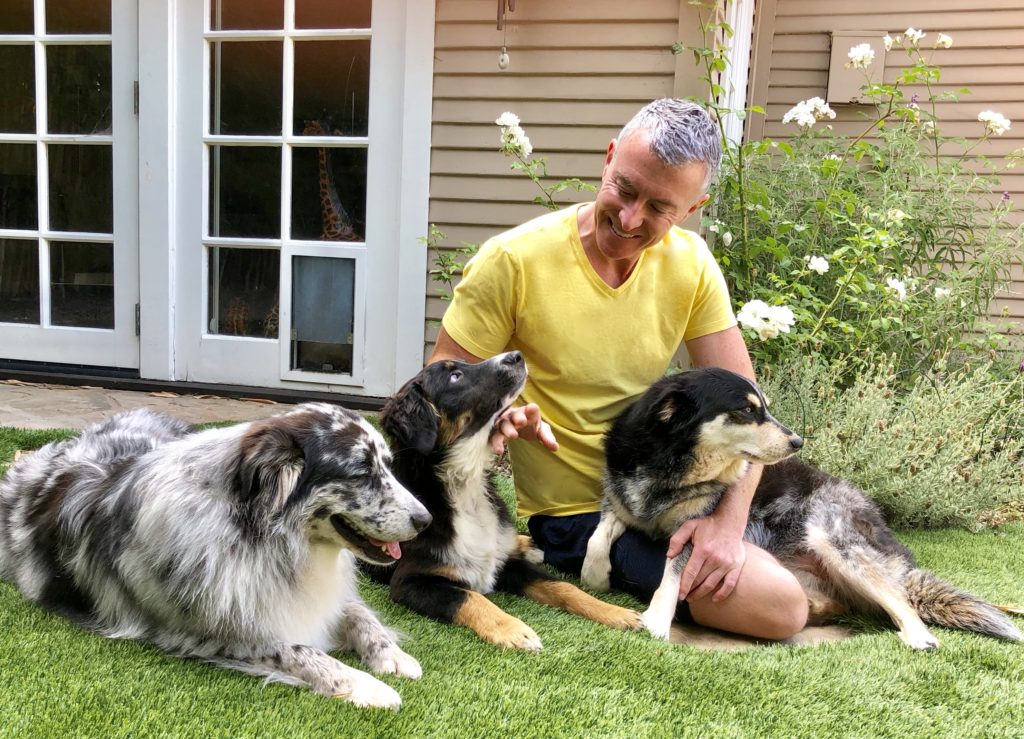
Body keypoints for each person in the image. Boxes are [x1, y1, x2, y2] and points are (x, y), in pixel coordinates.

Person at [429, 99, 808, 640]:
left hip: (677, 493)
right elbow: (442, 378)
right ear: (608, 160)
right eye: (624, 189)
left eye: (658, 207)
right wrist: (497, 415)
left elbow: (747, 402)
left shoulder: (693, 263)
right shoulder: (511, 261)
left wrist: (726, 525)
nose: (630, 219)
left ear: (693, 206)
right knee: (779, 607)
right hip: (576, 513)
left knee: (798, 557)